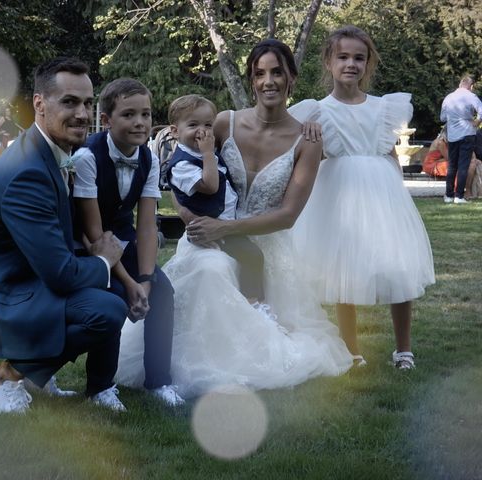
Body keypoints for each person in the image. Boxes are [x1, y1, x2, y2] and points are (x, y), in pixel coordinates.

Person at [115, 39, 353, 399]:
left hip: (265, 242)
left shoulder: (308, 137)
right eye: (259, 74)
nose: (268, 81)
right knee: (210, 270)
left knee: (233, 274)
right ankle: (176, 367)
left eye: (277, 72)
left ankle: (244, 355)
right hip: (206, 233)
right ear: (251, 80)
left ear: (291, 78)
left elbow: (288, 215)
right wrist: (190, 217)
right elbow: (185, 173)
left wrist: (223, 228)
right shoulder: (224, 121)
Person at [0, 57, 129, 414]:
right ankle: (4, 374)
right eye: (70, 102)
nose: (82, 113)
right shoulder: (26, 172)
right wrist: (105, 259)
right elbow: (60, 276)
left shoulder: (49, 153)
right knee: (106, 310)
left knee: (112, 291)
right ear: (39, 104)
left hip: (23, 282)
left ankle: (46, 376)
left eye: (88, 103)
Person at [291, 25, 435, 370]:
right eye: (342, 57)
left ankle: (404, 350)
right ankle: (351, 350)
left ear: (368, 63)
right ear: (329, 62)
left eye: (359, 57)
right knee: (343, 269)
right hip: (338, 194)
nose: (350, 64)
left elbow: (387, 152)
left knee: (397, 266)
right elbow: (306, 155)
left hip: (381, 193)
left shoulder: (384, 108)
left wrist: (396, 192)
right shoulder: (316, 112)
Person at [69, 78, 184, 407]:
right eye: (129, 114)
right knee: (117, 296)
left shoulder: (149, 159)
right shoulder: (87, 157)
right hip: (88, 242)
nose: (140, 122)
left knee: (163, 291)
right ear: (106, 121)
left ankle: (158, 381)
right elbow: (94, 233)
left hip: (123, 238)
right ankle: (100, 387)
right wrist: (128, 282)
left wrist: (145, 281)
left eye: (146, 114)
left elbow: (146, 226)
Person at [165, 93, 265, 304]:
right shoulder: (182, 165)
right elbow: (210, 187)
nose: (202, 132)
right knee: (253, 256)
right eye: (193, 125)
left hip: (227, 223)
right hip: (212, 228)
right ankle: (253, 303)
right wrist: (209, 153)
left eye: (208, 125)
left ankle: (249, 298)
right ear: (175, 131)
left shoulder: (203, 153)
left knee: (252, 257)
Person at [440, 75, 482, 204]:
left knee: (452, 165)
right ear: (471, 86)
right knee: (463, 165)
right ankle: (459, 196)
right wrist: (477, 121)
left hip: (452, 135)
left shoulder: (448, 98)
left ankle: (448, 195)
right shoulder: (471, 96)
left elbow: (442, 118)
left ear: (460, 84)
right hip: (467, 133)